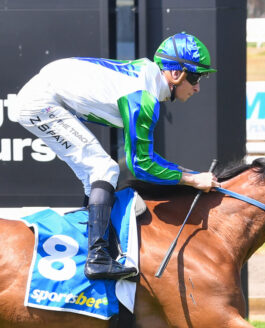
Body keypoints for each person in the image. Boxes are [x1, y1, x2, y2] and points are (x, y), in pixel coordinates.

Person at [15, 32, 219, 281]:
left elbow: (145, 159)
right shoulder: (144, 98)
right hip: (41, 102)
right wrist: (192, 180)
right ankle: (97, 258)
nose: (197, 87)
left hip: (47, 93)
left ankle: (92, 249)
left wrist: (189, 174)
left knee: (96, 175)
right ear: (176, 74)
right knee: (104, 170)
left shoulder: (147, 79)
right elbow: (141, 165)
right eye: (196, 77)